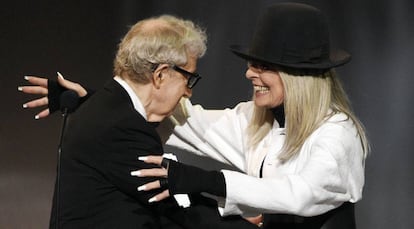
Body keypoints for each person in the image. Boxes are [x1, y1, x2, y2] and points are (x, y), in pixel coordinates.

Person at [20, 3, 369, 228]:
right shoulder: (256, 120)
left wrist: (204, 180)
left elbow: (300, 194)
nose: (248, 74)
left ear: (297, 76)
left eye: (262, 67)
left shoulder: (337, 134)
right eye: (250, 65)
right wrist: (95, 102)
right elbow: (185, 121)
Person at [19, 15, 258, 229]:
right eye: (189, 79)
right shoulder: (125, 128)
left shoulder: (108, 109)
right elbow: (172, 207)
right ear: (161, 74)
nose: (188, 93)